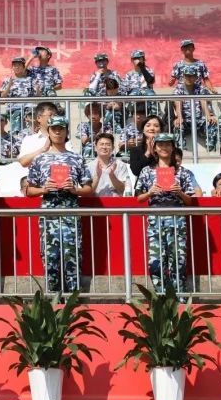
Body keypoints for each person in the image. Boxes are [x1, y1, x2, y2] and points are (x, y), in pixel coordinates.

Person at [23, 116, 90, 294]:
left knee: (72, 255)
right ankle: (52, 300)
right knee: (50, 256)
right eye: (54, 129)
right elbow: (28, 190)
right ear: (49, 132)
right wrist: (43, 189)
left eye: (61, 128)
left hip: (70, 210)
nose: (58, 132)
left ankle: (72, 300)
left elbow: (89, 188)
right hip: (49, 211)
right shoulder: (39, 159)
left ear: (67, 132)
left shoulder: (77, 158)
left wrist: (75, 190)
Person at [133, 133, 196, 293]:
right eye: (160, 145)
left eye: (168, 144)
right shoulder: (147, 171)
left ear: (173, 147)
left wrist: (180, 192)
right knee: (155, 262)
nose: (164, 148)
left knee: (178, 261)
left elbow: (190, 201)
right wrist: (150, 192)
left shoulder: (182, 172)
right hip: (155, 220)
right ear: (154, 148)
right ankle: (161, 296)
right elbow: (138, 198)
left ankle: (179, 297)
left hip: (177, 219)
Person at [172, 65, 217, 150]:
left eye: (191, 76)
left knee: (211, 123)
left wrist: (209, 116)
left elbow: (203, 102)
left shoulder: (200, 88)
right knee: (178, 125)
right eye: (187, 76)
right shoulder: (179, 89)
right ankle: (180, 151)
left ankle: (211, 149)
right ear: (183, 77)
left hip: (199, 120)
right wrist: (179, 117)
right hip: (185, 121)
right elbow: (178, 103)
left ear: (196, 77)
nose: (189, 78)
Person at [85, 132, 134, 197]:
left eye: (108, 144)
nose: (104, 147)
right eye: (101, 144)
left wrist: (112, 175)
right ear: (95, 148)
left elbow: (122, 189)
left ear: (113, 148)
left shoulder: (120, 165)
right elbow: (87, 193)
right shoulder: (87, 167)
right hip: (95, 202)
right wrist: (97, 176)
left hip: (115, 202)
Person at [17, 101, 61, 168]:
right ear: (38, 118)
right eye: (50, 115)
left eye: (55, 116)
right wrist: (43, 149)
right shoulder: (29, 140)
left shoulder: (62, 138)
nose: (53, 118)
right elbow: (23, 162)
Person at [128, 114, 165, 181]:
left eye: (156, 126)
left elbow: (170, 166)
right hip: (144, 185)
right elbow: (136, 171)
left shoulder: (167, 149)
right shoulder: (135, 150)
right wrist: (148, 152)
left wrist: (155, 153)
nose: (152, 128)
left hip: (163, 182)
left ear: (161, 130)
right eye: (148, 125)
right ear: (143, 130)